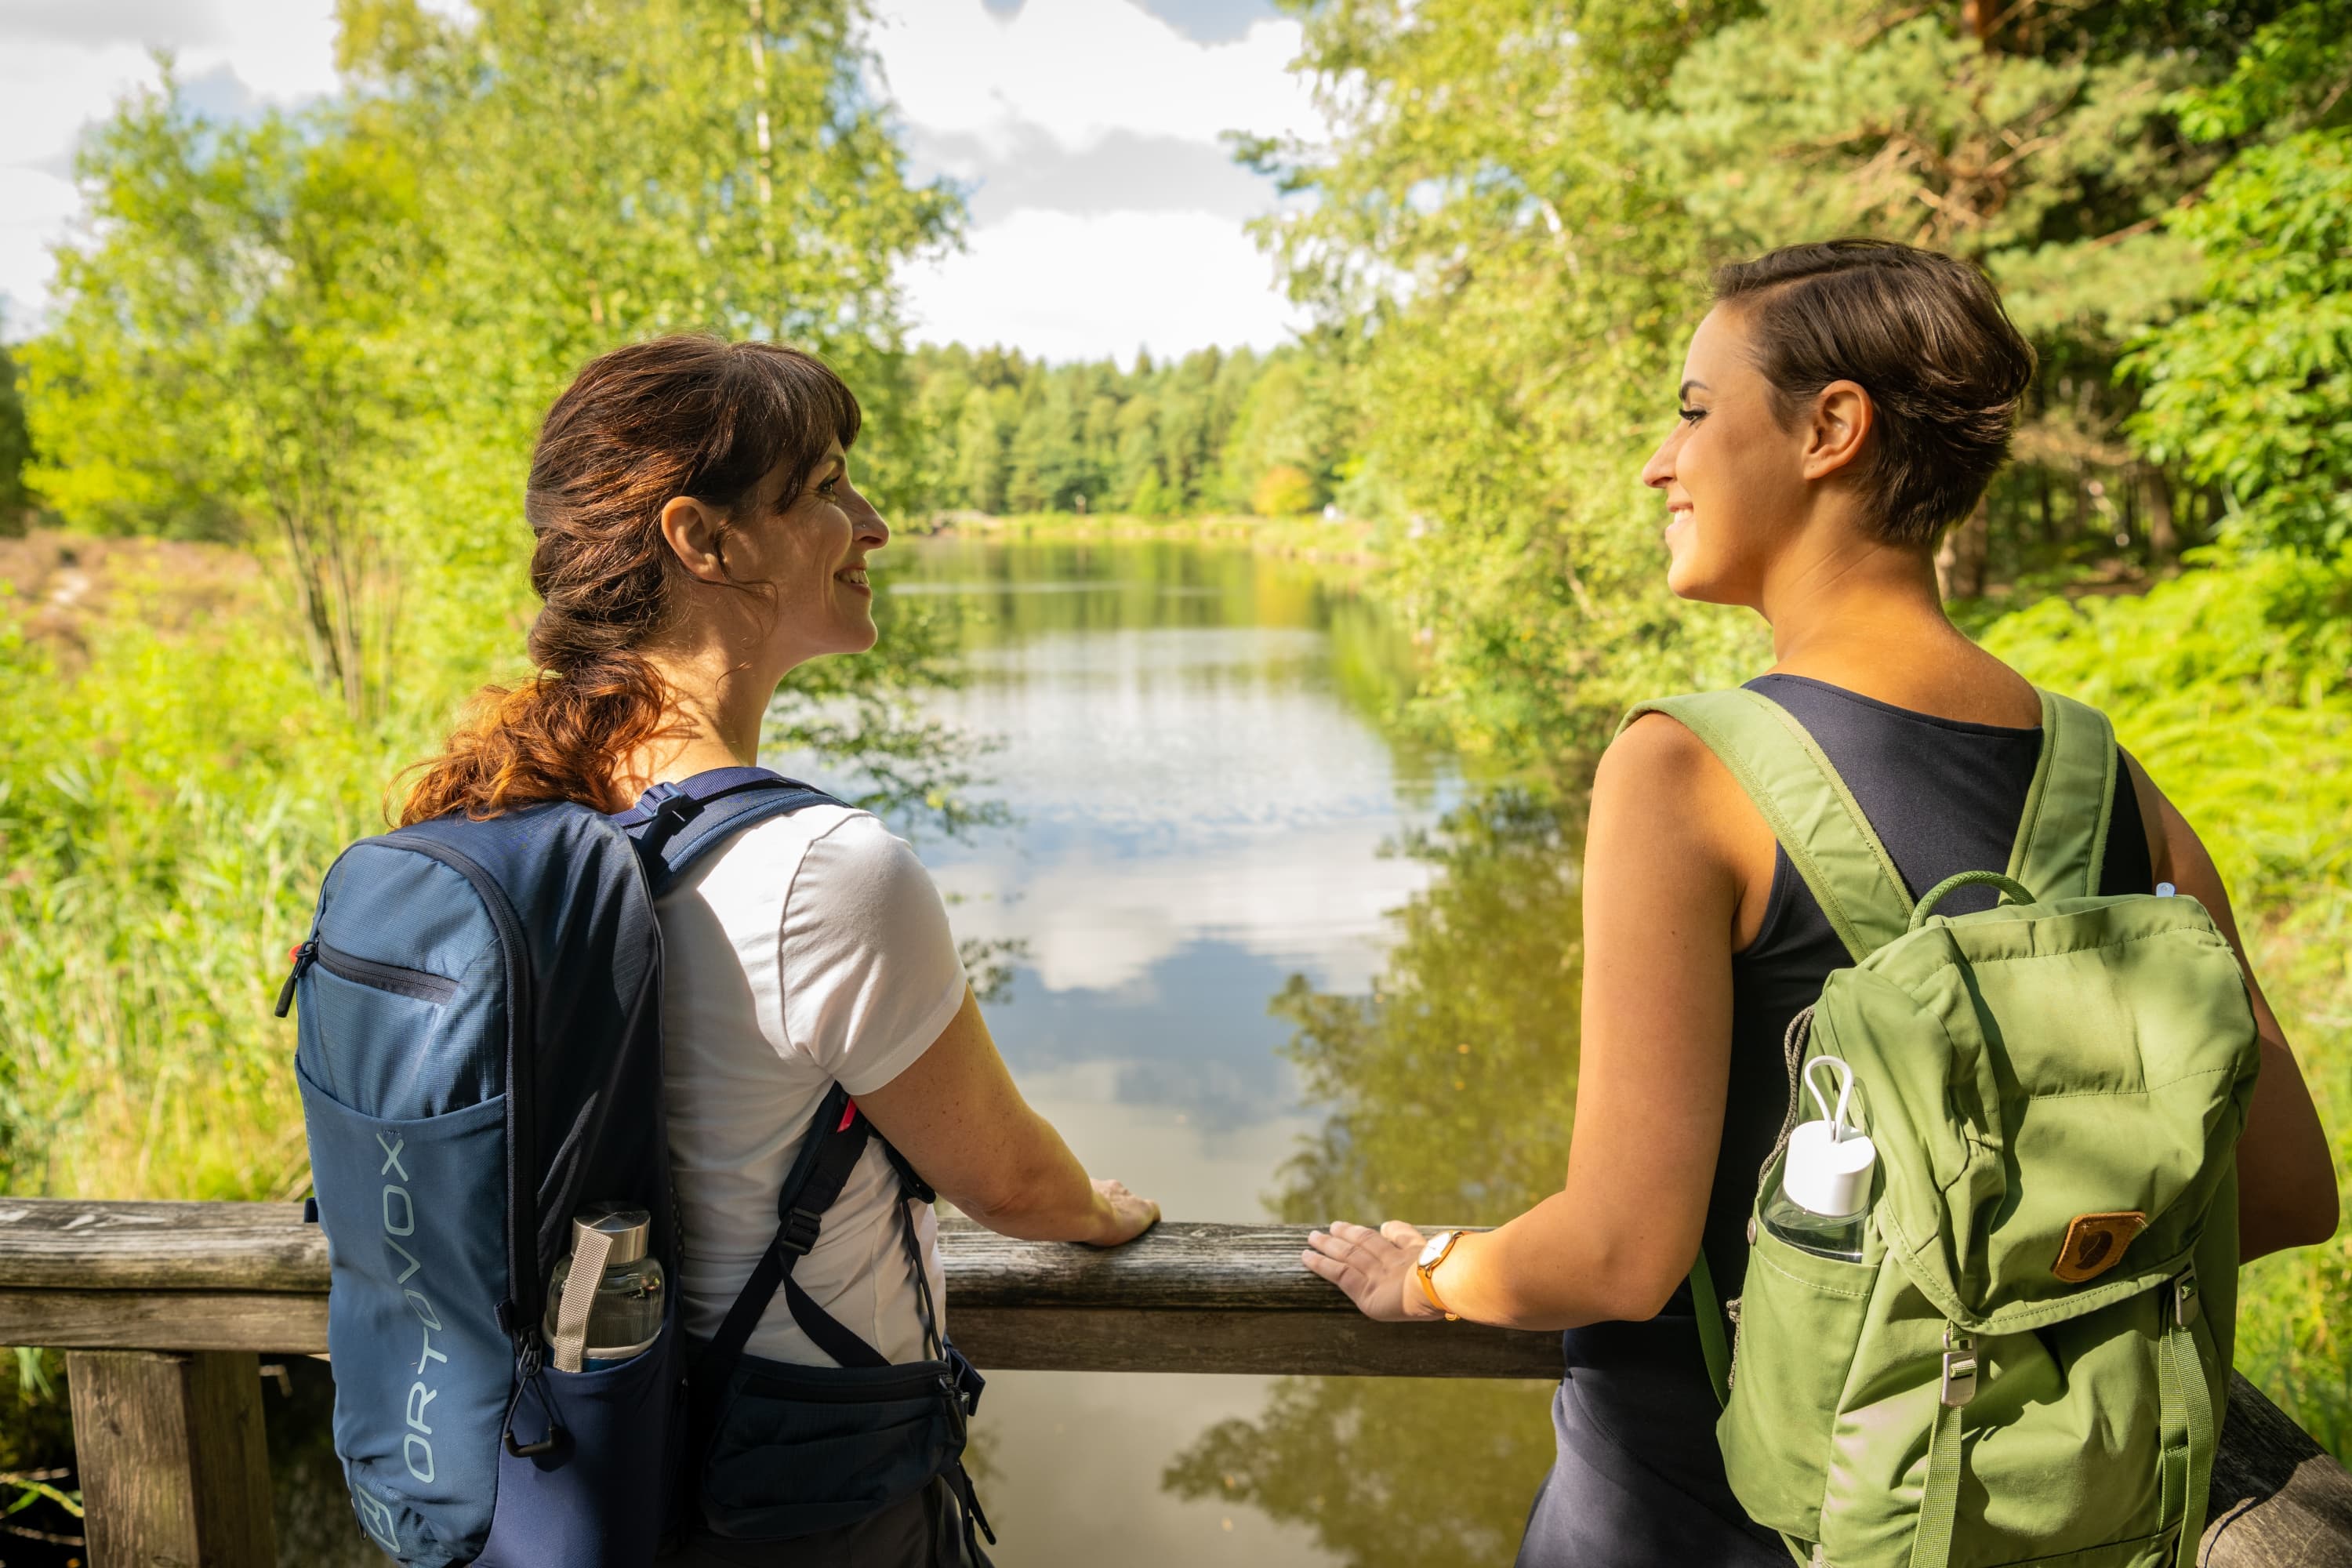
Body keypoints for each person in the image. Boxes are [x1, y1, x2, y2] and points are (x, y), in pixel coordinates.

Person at [1298, 239, 2339, 1564]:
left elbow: (1621, 1251)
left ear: (1830, 428)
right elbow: (2293, 1192)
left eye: (1691, 411)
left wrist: (1430, 1275)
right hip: (2027, 1513)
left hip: (1707, 1512)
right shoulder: (2111, 784)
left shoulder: (1683, 768)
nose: (1657, 464)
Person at [400, 336, 1159, 1566]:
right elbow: (1012, 1186)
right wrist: (1104, 1212)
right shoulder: (826, 871)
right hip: (793, 1491)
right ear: (704, 541)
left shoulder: (500, 815)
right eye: (824, 491)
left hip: (546, 1467)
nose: (874, 526)